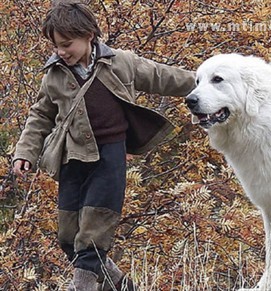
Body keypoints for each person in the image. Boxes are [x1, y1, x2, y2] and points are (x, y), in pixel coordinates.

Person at [12, 1, 195, 290]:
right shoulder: (54, 76)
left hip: (110, 156)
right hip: (71, 160)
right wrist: (25, 152)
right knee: (68, 236)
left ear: (89, 35)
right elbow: (40, 116)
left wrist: (207, 82)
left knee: (94, 230)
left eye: (67, 44)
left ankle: (81, 286)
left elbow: (163, 77)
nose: (61, 52)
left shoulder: (121, 62)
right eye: (56, 46)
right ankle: (119, 284)